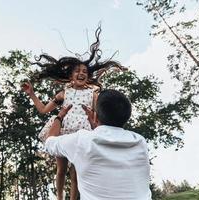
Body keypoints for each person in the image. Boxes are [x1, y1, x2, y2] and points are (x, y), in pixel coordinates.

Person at [22, 26, 126, 200]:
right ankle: (60, 198)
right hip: (64, 132)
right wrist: (32, 94)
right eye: (77, 71)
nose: (81, 73)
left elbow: (99, 114)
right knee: (61, 169)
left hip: (83, 133)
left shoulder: (93, 93)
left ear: (88, 76)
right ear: (70, 76)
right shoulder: (64, 93)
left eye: (84, 72)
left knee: (76, 171)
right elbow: (43, 110)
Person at [44, 89, 152, 200]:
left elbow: (49, 143)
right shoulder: (140, 142)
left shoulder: (81, 141)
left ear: (96, 116)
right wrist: (98, 126)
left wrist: (60, 116)